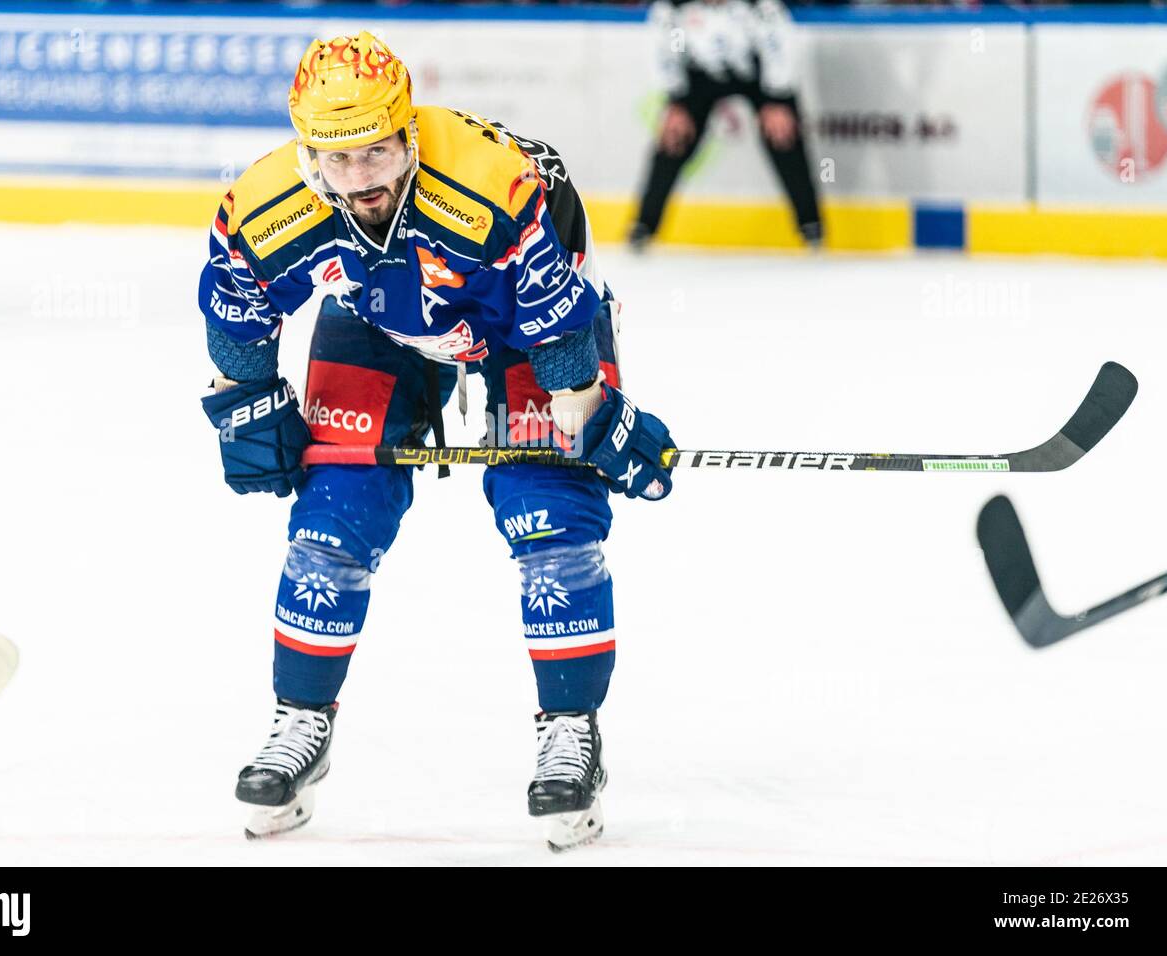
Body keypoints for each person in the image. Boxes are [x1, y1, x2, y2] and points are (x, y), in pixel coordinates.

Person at [198, 32, 676, 850]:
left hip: (522, 326)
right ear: (308, 149)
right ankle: (301, 721)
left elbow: (557, 322)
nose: (360, 176)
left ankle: (570, 734)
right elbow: (236, 311)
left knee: (550, 516)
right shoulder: (267, 203)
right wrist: (243, 400)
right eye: (337, 158)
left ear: (407, 133)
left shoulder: (496, 186)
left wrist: (591, 410)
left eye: (377, 151)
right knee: (331, 517)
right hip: (378, 316)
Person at [630, 0, 823, 249]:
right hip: (700, 77)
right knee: (672, 139)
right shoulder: (672, 7)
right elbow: (662, 51)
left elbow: (778, 45)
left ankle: (810, 225)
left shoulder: (760, 6)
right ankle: (644, 225)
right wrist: (676, 101)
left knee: (783, 136)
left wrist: (777, 97)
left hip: (757, 75)